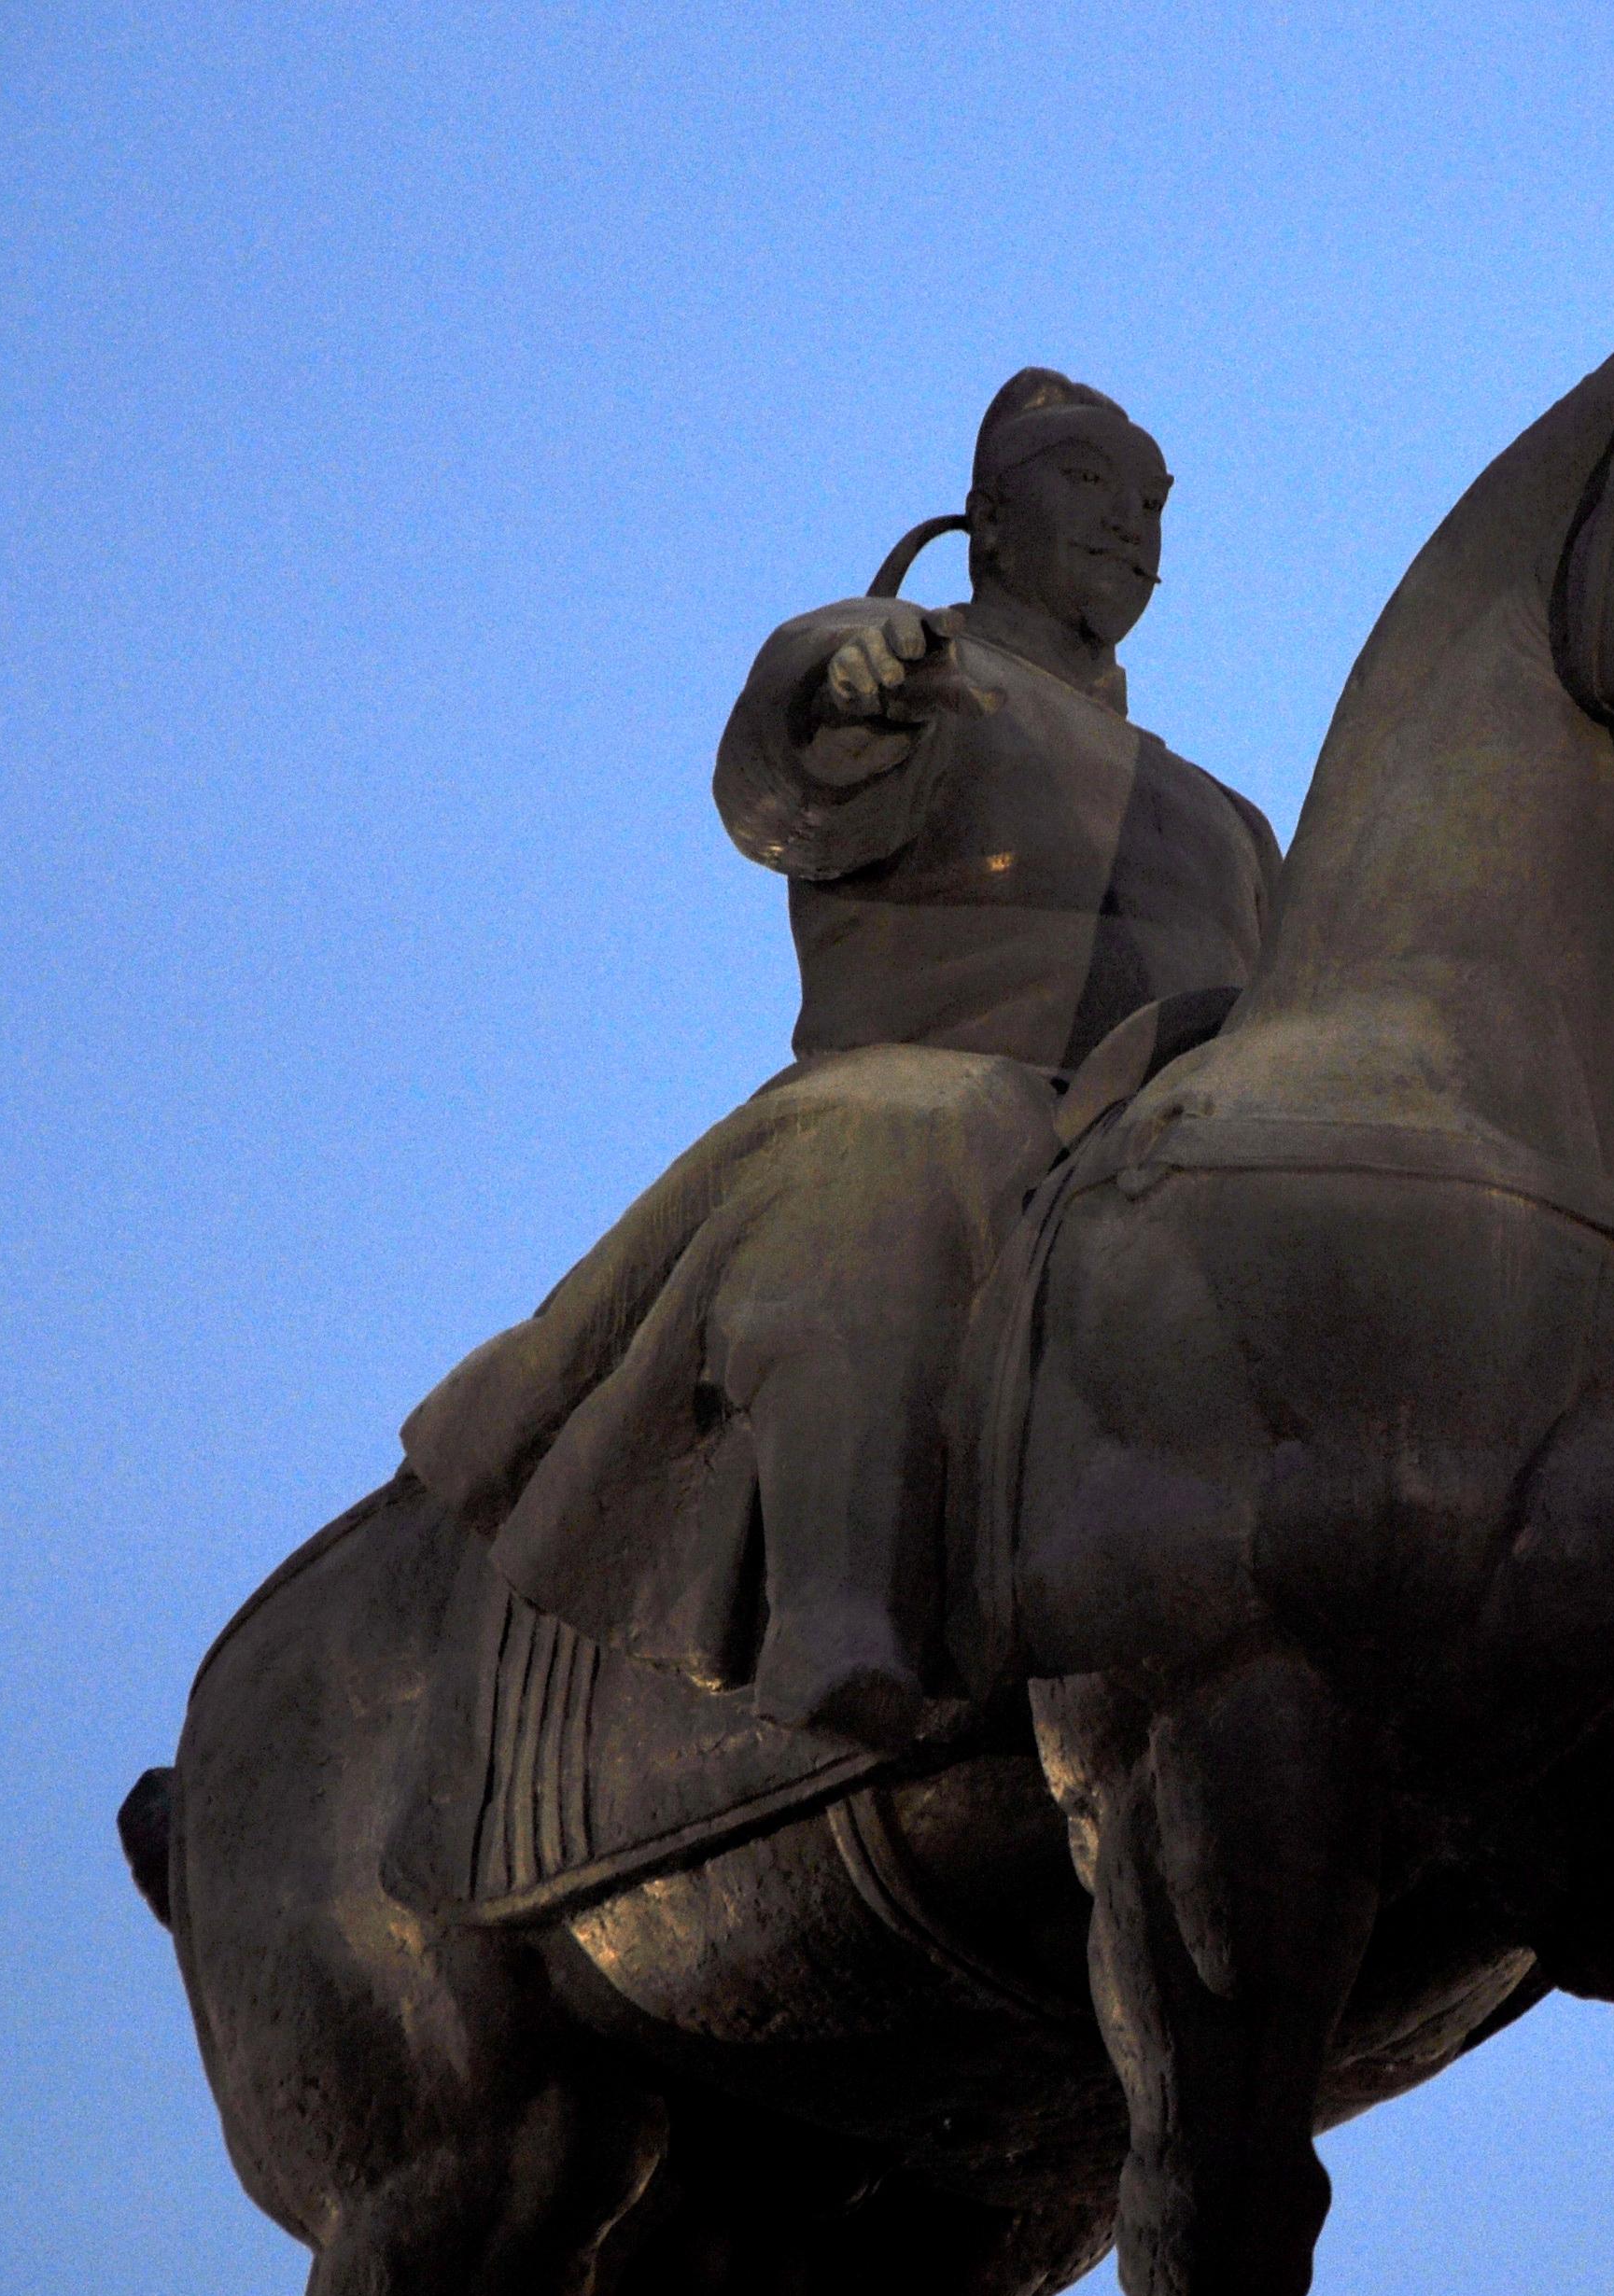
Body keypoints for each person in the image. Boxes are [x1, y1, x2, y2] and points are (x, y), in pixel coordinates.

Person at [400, 369, 1279, 1748]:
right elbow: (789, 760)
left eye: (1157, 500)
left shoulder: (1225, 816)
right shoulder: (916, 659)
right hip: (942, 1093)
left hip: (1162, 1135)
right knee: (915, 1130)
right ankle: (835, 1604)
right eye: (1095, 486)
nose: (1135, 524)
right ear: (987, 521)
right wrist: (849, 698)